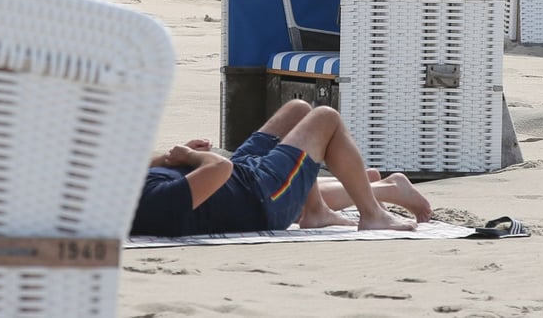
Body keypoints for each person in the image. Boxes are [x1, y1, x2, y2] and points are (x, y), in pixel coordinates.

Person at [130, 100, 431, 237]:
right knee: (325, 118)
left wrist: (172, 158)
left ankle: (317, 212)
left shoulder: (125, 189)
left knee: (298, 110)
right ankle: (373, 215)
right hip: (262, 199)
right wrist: (192, 158)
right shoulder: (154, 204)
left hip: (243, 177)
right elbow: (219, 169)